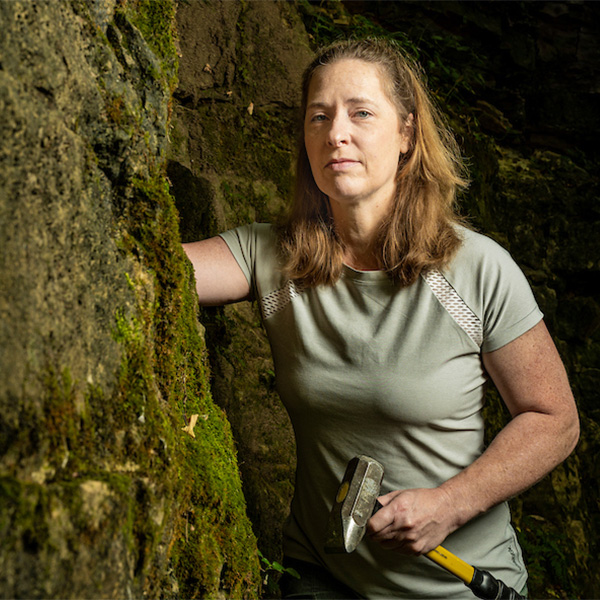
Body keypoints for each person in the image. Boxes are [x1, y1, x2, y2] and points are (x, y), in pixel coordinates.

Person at [182, 38, 579, 599]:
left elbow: (554, 419)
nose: (335, 133)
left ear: (407, 134)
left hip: (459, 585)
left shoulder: (476, 269)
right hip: (322, 576)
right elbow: (159, 264)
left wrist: (449, 504)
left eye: (360, 112)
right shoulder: (272, 257)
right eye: (318, 116)